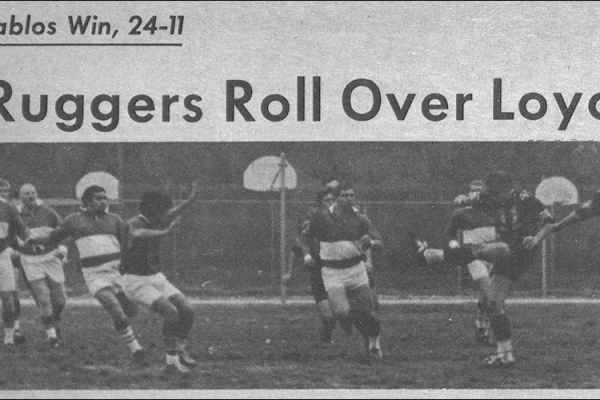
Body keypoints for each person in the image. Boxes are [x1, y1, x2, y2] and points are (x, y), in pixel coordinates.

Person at [413, 171, 553, 366]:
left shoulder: (526, 199)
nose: (494, 200)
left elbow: (549, 221)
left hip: (522, 250)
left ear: (507, 190)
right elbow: (466, 199)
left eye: (497, 195)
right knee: (494, 303)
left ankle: (433, 255)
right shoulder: (488, 196)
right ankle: (505, 353)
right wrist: (462, 199)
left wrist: (537, 238)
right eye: (491, 195)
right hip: (506, 250)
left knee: (490, 249)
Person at [29, 185, 146, 364]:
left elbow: (126, 245)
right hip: (94, 275)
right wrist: (36, 239)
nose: (104, 201)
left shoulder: (115, 220)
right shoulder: (74, 221)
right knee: (115, 310)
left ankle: (121, 294)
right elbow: (54, 237)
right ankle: (136, 348)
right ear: (87, 201)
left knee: (131, 312)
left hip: (116, 273)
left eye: (105, 198)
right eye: (99, 198)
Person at [120, 182, 199, 375]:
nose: (167, 213)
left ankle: (179, 351)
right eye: (164, 209)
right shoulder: (134, 223)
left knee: (187, 310)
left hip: (155, 277)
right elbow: (137, 234)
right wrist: (165, 232)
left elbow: (174, 212)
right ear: (151, 209)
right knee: (171, 312)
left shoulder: (155, 219)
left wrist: (191, 199)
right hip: (135, 281)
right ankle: (171, 363)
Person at [301, 181, 384, 361]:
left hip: (356, 270)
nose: (349, 199)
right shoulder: (320, 217)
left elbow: (379, 243)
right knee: (341, 312)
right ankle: (355, 338)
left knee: (369, 315)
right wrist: (307, 255)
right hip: (332, 271)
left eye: (352, 196)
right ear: (336, 198)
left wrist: (371, 243)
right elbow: (305, 238)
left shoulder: (361, 219)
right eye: (345, 196)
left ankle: (374, 340)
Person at [16, 184, 68, 348]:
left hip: (51, 257)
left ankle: (54, 318)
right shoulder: (16, 215)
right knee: (43, 298)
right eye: (26, 194)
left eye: (32, 193)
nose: (30, 196)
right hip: (30, 260)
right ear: (20, 197)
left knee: (60, 301)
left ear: (36, 194)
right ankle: (52, 337)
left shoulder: (48, 212)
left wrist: (61, 249)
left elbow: (62, 233)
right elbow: (10, 236)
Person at [297, 186, 339, 344]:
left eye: (332, 200)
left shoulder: (344, 218)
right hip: (319, 266)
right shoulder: (314, 219)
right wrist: (307, 255)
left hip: (337, 267)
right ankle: (326, 335)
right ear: (320, 203)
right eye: (326, 200)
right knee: (329, 316)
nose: (329, 203)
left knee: (341, 310)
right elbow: (304, 238)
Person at [0, 178, 30, 348]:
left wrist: (31, 239)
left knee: (9, 299)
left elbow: (21, 229)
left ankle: (9, 339)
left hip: (2, 255)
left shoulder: (9, 208)